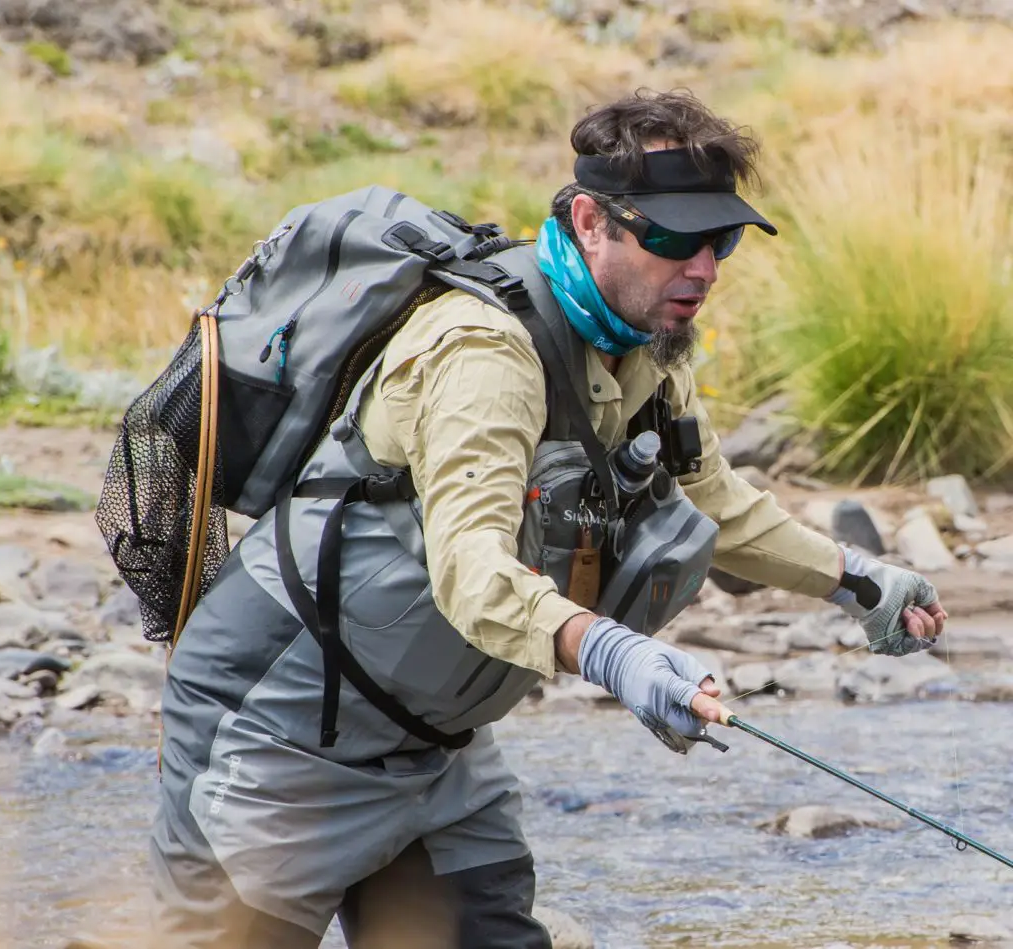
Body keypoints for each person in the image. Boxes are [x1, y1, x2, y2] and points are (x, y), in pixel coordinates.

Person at [150, 88, 948, 948]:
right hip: (279, 736)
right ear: (588, 221)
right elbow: (471, 571)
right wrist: (613, 651)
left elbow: (718, 502)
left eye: (722, 241)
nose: (705, 269)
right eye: (674, 239)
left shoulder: (642, 346)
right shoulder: (484, 353)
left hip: (439, 753)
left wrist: (862, 582)